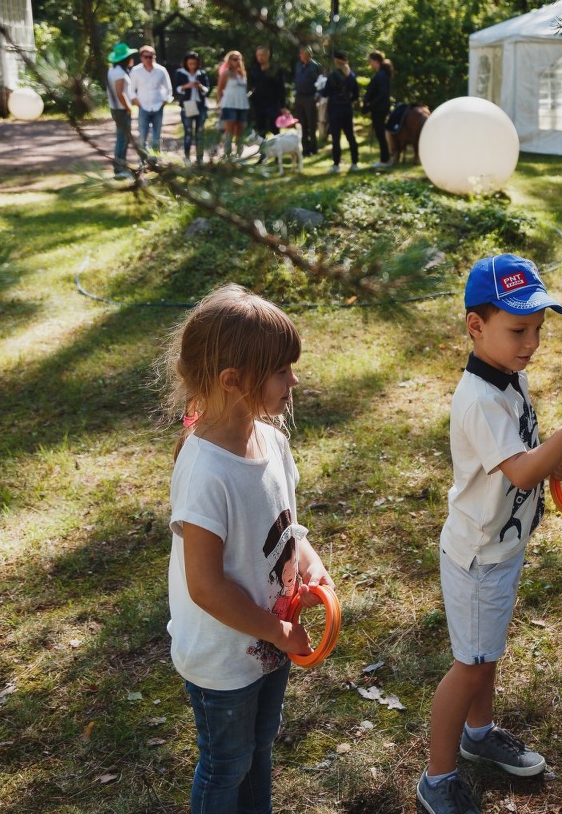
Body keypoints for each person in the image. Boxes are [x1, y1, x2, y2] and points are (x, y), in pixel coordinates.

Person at [418, 254, 562, 814]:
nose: (530, 342)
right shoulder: (479, 398)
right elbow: (521, 469)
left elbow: (526, 456)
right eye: (517, 330)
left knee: (486, 652)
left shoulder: (509, 377)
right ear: (475, 326)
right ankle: (437, 779)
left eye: (536, 329)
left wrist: (552, 462)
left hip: (502, 547)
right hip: (479, 555)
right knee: (470, 665)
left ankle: (479, 735)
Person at [163, 283, 334, 814]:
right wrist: (279, 632)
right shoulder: (206, 472)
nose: (294, 380)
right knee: (225, 764)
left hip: (270, 640)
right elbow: (206, 587)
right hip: (223, 658)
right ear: (233, 381)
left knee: (260, 748)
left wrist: (313, 568)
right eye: (282, 370)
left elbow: (288, 530)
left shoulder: (272, 442)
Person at [130, 45, 173, 159]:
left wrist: (164, 102)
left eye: (151, 57)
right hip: (143, 107)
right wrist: (138, 103)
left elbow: (168, 89)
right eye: (146, 57)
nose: (148, 59)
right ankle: (143, 161)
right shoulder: (136, 71)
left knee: (156, 136)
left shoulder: (161, 70)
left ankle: (154, 160)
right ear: (141, 58)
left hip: (158, 106)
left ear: (154, 57)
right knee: (142, 136)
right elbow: (131, 90)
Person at [324, 52, 360, 174]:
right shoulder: (351, 76)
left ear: (336, 61)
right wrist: (348, 100)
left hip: (335, 110)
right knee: (350, 136)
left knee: (336, 138)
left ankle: (336, 165)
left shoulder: (333, 76)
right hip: (347, 109)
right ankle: (355, 163)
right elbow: (356, 94)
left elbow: (325, 92)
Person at [105, 42, 137, 177]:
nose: (132, 59)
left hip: (116, 108)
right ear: (125, 59)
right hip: (121, 110)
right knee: (122, 139)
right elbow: (120, 93)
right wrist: (128, 107)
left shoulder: (113, 70)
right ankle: (119, 169)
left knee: (123, 138)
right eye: (130, 57)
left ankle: (121, 166)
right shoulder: (119, 73)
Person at [174, 51, 210, 163]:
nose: (192, 66)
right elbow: (177, 89)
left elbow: (207, 90)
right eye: (190, 63)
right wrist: (187, 86)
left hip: (200, 105)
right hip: (187, 105)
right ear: (186, 63)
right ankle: (187, 158)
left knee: (200, 133)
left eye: (194, 63)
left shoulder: (202, 73)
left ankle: (200, 159)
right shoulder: (180, 73)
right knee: (188, 133)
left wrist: (200, 86)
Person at [216, 50, 251, 159]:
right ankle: (227, 153)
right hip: (229, 104)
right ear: (229, 60)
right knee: (229, 129)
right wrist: (220, 104)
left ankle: (239, 154)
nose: (237, 61)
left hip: (242, 105)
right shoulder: (226, 73)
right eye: (234, 59)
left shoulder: (242, 73)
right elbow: (219, 90)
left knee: (239, 130)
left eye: (239, 59)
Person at [248, 46, 288, 139]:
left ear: (268, 55)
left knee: (274, 128)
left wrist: (282, 106)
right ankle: (263, 152)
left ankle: (278, 150)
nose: (260, 57)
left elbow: (281, 89)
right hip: (258, 104)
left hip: (273, 104)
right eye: (258, 55)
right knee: (260, 129)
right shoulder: (254, 70)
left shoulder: (276, 70)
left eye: (262, 55)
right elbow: (250, 86)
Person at [363, 51, 393, 169]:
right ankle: (385, 158)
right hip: (379, 108)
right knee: (380, 134)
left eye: (370, 61)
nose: (370, 64)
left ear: (376, 61)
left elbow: (382, 94)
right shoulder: (381, 74)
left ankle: (385, 159)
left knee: (380, 134)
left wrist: (371, 104)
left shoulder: (381, 75)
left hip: (379, 109)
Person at [292, 47, 323, 157]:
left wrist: (318, 95)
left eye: (302, 53)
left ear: (308, 55)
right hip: (299, 97)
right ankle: (304, 148)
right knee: (302, 123)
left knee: (311, 123)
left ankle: (313, 147)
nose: (300, 55)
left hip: (310, 97)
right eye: (300, 53)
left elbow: (321, 81)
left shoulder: (315, 66)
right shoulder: (298, 65)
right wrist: (295, 90)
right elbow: (296, 79)